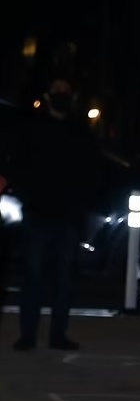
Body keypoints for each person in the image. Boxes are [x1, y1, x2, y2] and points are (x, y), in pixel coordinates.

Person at [9, 79, 102, 351]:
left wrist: (82, 204)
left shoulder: (79, 130)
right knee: (33, 275)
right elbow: (18, 164)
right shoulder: (33, 127)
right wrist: (28, 198)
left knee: (63, 278)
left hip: (68, 217)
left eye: (66, 91)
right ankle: (28, 334)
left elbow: (91, 170)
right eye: (57, 90)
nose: (62, 95)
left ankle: (58, 335)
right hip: (39, 214)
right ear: (49, 96)